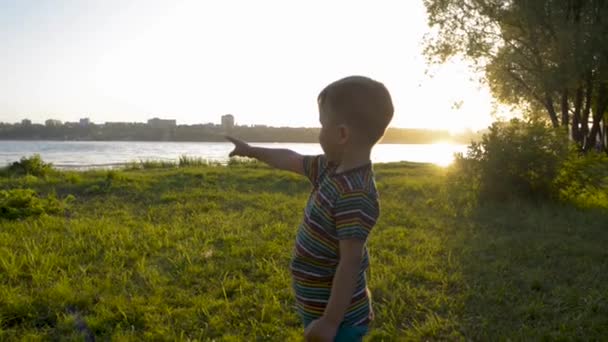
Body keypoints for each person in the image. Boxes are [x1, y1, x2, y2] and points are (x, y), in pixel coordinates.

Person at [226, 75, 394, 341]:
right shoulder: (328, 167)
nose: (318, 132)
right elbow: (291, 159)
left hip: (340, 322)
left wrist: (329, 322)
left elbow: (350, 263)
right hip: (318, 309)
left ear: (342, 134)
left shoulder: (355, 193)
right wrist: (252, 151)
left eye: (321, 124)